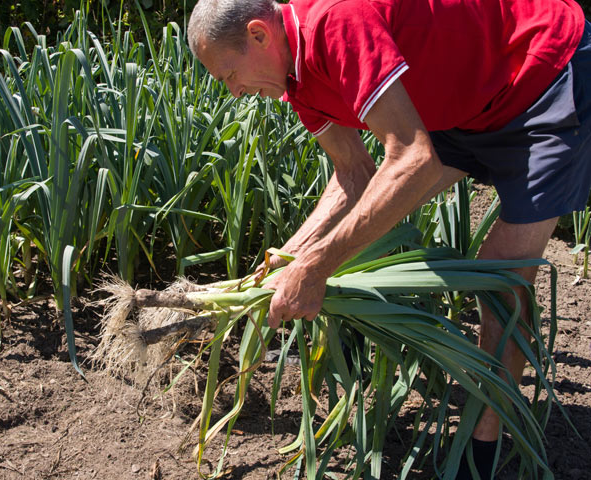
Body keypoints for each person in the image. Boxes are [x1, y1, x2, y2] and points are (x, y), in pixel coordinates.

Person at [187, 0, 590, 478]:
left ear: (259, 36)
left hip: (541, 72)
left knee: (499, 277)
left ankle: (482, 454)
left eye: (229, 75)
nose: (233, 92)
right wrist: (289, 258)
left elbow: (412, 159)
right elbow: (354, 174)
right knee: (376, 216)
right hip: (470, 99)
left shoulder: (335, 24)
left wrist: (315, 268)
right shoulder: (294, 80)